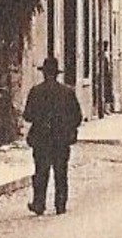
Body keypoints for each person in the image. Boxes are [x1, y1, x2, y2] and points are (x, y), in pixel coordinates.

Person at [23, 56, 82, 216]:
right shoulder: (68, 92)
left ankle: (39, 203)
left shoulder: (36, 92)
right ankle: (60, 204)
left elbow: (27, 115)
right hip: (61, 139)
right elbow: (77, 116)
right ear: (56, 74)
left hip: (41, 139)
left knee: (41, 172)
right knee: (61, 172)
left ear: (44, 73)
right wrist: (68, 128)